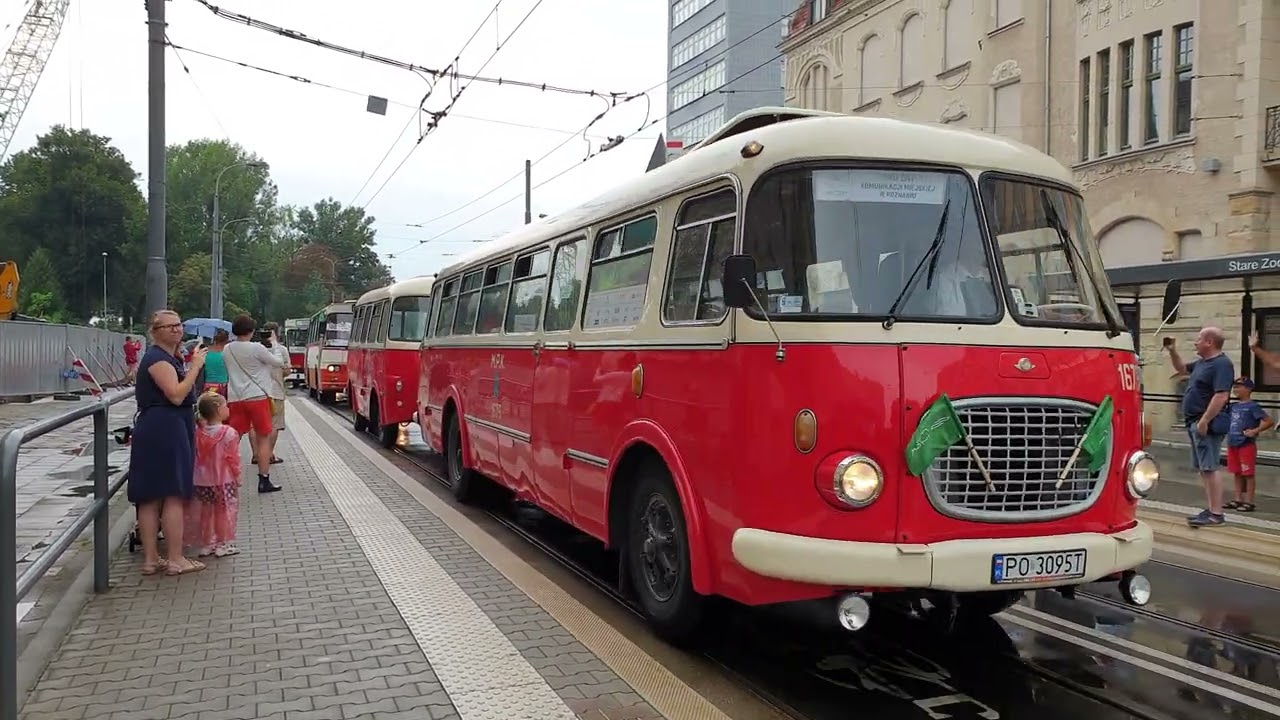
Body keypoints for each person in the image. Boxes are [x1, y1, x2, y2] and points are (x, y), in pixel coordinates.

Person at [127, 310, 207, 576]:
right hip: (165, 428)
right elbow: (175, 394)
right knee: (172, 493)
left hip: (159, 427)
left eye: (178, 325)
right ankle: (175, 559)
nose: (176, 330)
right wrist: (195, 367)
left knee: (150, 496)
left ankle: (151, 559)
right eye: (169, 326)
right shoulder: (158, 359)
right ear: (155, 330)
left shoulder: (167, 357)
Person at [1164, 327, 1234, 527]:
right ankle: (1212, 509)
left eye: (1199, 339)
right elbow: (1182, 369)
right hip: (1195, 422)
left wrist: (1204, 420)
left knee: (1210, 467)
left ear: (1209, 342)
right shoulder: (1203, 363)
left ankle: (1216, 513)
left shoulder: (1222, 364)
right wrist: (1172, 350)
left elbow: (1221, 395)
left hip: (1205, 424)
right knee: (1204, 468)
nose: (1195, 342)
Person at [223, 314, 285, 493]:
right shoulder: (257, 348)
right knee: (263, 438)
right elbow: (278, 363)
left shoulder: (227, 349)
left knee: (233, 438)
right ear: (251, 331)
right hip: (258, 398)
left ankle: (226, 477)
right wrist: (274, 345)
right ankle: (264, 480)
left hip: (236, 398)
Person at [186, 392, 242, 557]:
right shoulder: (229, 433)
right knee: (225, 511)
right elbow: (234, 459)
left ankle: (207, 543)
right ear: (218, 409)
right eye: (225, 405)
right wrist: (237, 476)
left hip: (201, 481)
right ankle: (223, 543)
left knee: (206, 512)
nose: (228, 408)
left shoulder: (197, 432)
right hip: (224, 480)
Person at [1224, 376, 1272, 512]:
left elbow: (1268, 421)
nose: (1236, 389)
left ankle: (1249, 501)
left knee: (1248, 473)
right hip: (1232, 442)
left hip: (1246, 444)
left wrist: (1255, 430)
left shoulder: (1253, 406)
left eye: (1239, 386)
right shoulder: (1233, 406)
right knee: (1236, 472)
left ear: (1248, 389)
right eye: (1235, 387)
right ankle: (1237, 498)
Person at [250, 321, 290, 466]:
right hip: (276, 392)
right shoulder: (282, 350)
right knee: (274, 424)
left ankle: (255, 454)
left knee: (254, 425)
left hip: (257, 391)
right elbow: (286, 370)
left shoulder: (254, 349)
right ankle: (268, 454)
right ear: (276, 332)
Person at [203, 330, 230, 397]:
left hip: (209, 384)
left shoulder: (206, 353)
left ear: (214, 339)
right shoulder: (227, 354)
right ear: (226, 340)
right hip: (224, 385)